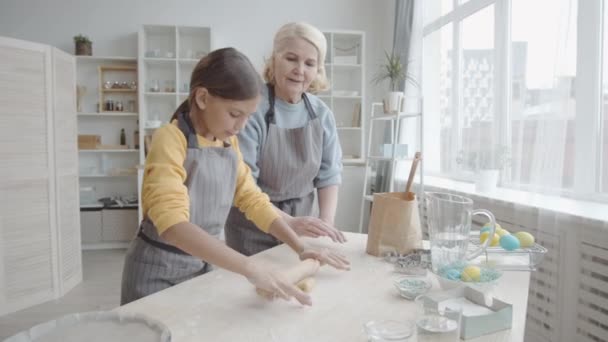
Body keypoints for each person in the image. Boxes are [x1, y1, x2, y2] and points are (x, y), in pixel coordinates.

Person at [121, 47, 349, 306]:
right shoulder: (171, 140)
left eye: (248, 116)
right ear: (203, 98)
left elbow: (253, 201)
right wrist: (251, 268)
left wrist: (300, 247)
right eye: (234, 114)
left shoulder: (229, 144)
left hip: (201, 267)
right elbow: (174, 227)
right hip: (156, 272)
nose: (240, 126)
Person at [225, 22, 346, 256]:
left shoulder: (322, 114)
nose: (300, 70)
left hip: (303, 225)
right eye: (291, 58)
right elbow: (244, 185)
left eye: (310, 63)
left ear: (317, 70)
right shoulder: (253, 110)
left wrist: (325, 222)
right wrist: (288, 223)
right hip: (252, 226)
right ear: (274, 59)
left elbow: (329, 174)